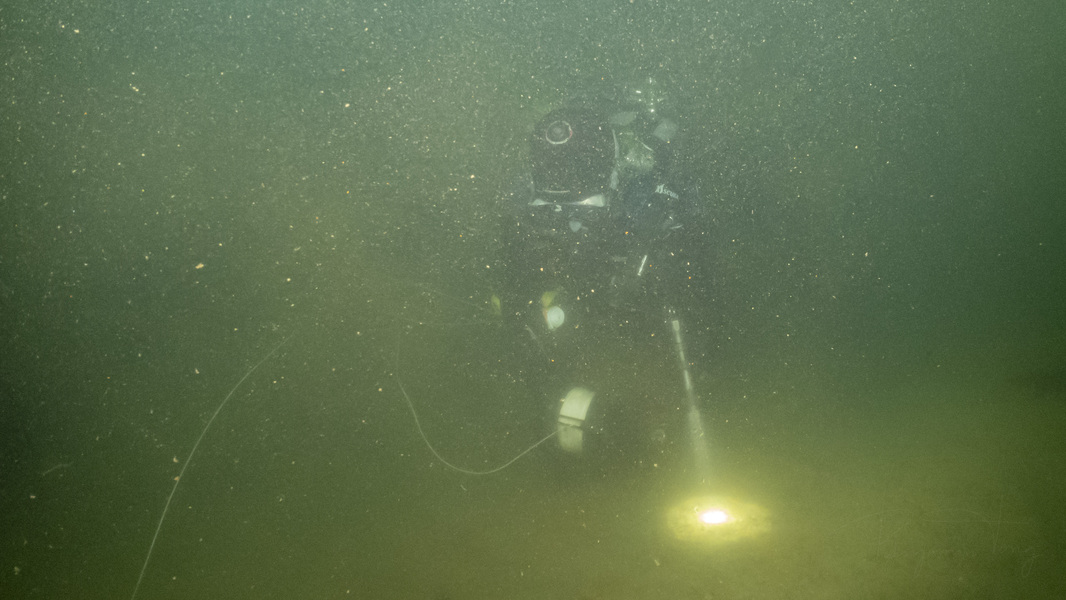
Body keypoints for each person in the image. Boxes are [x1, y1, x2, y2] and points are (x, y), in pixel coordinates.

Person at [491, 80, 707, 455]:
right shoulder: (532, 199)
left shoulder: (640, 194)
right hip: (589, 287)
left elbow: (682, 210)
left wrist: (663, 219)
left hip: (613, 278)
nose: (563, 211)